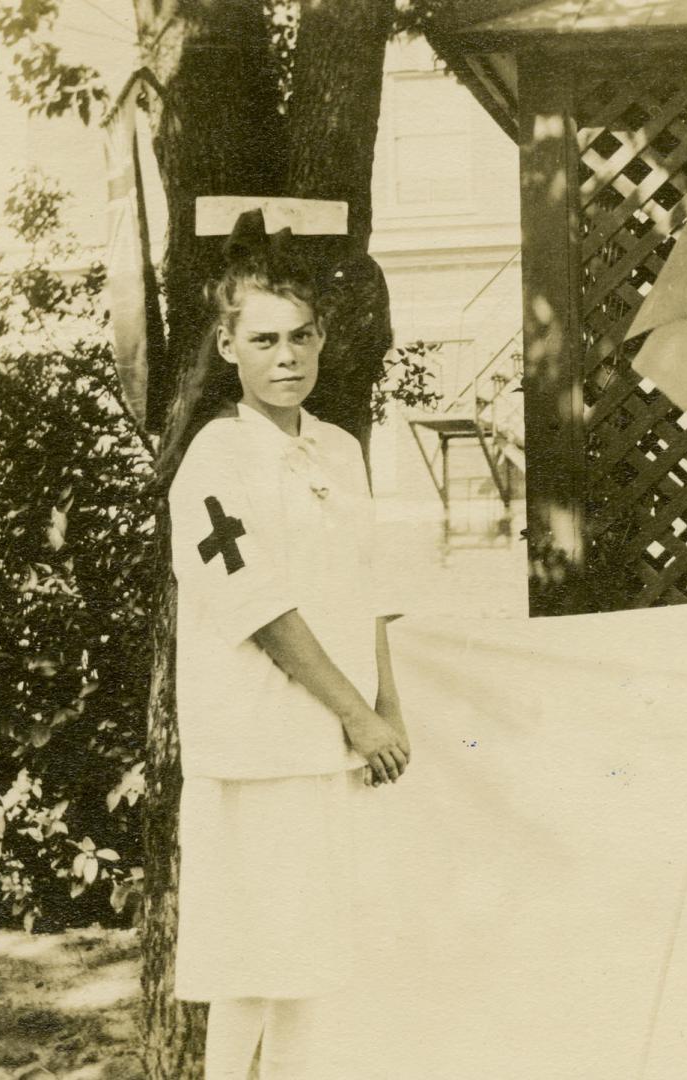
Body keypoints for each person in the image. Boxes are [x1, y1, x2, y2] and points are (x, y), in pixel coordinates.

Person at [162, 210, 409, 1079]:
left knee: (322, 960)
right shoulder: (216, 460)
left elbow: (365, 588)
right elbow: (259, 607)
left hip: (332, 746)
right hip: (259, 746)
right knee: (256, 963)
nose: (287, 357)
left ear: (322, 337)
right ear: (228, 346)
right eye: (263, 339)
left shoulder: (339, 449)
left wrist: (387, 710)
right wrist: (355, 715)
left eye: (301, 336)